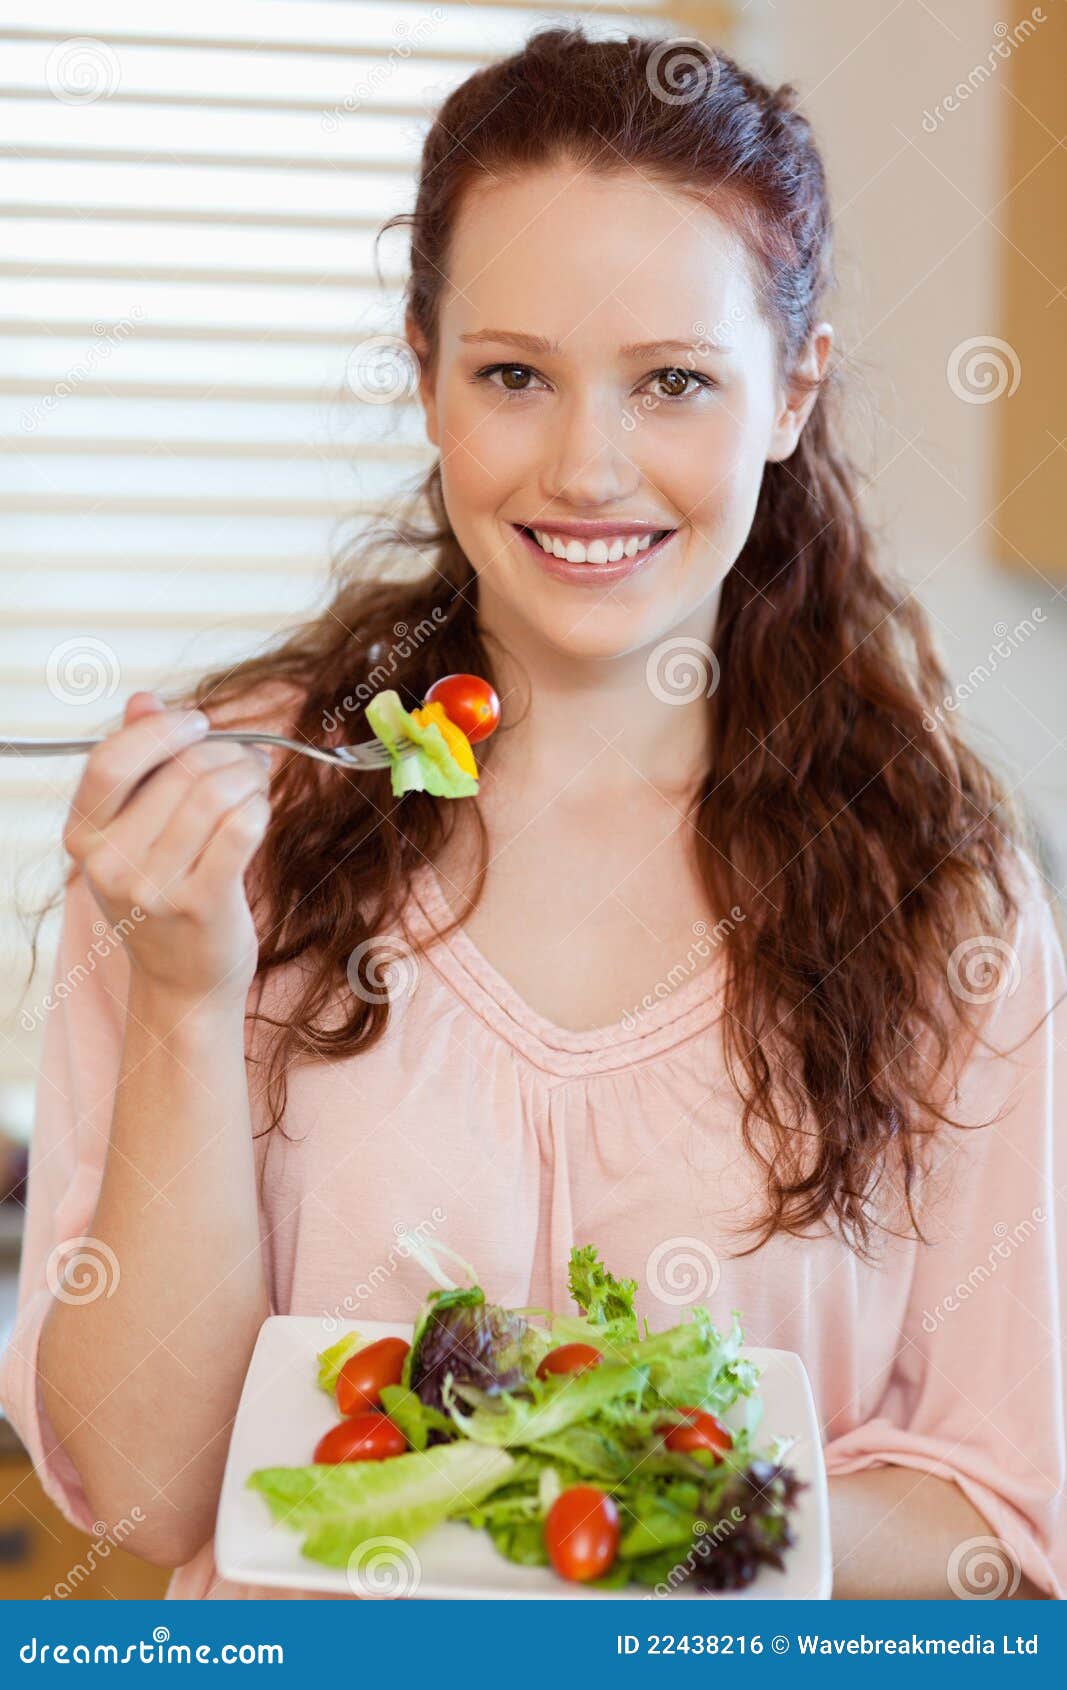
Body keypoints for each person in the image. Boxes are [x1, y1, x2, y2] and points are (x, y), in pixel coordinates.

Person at [2, 28, 1063, 1601]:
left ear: (792, 390)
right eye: (513, 375)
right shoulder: (225, 840)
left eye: (674, 381)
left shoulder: (945, 892)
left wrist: (615, 1516)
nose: (587, 467)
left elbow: (1006, 1516)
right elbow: (151, 1493)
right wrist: (183, 996)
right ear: (424, 368)